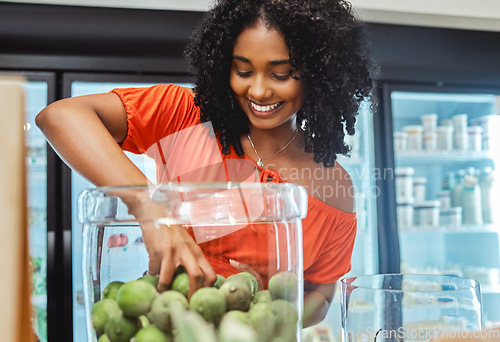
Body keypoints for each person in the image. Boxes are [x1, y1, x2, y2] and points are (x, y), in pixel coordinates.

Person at [36, 0, 376, 327]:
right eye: (243, 70)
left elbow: (322, 294)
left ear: (319, 75)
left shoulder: (335, 186)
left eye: (281, 74)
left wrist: (263, 321)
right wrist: (146, 204)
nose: (257, 91)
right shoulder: (184, 116)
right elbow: (61, 116)